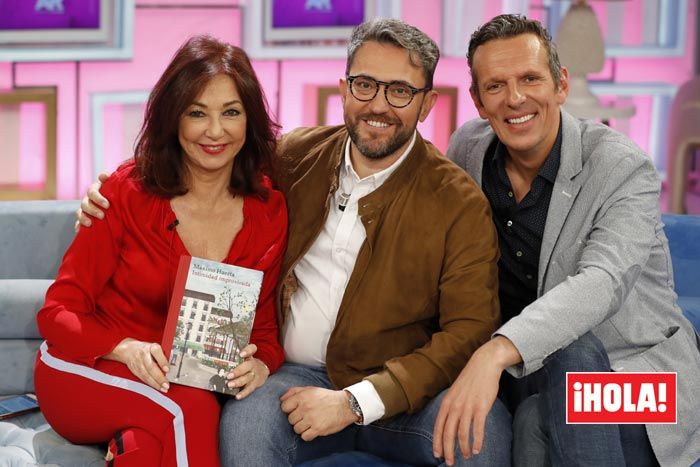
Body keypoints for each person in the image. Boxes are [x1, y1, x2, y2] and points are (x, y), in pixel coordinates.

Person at [76, 18, 512, 466]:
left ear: (426, 104)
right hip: (292, 380)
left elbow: (467, 331)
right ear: (343, 89)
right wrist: (116, 188)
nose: (378, 105)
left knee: (483, 433)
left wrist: (356, 401)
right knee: (245, 426)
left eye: (400, 91)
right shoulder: (293, 157)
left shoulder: (459, 203)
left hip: (404, 392)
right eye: (365, 85)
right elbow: (210, 159)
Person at [433, 14, 700, 467]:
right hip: (529, 373)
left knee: (552, 389)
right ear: (477, 101)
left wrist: (495, 352)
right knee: (531, 412)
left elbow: (602, 282)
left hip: (645, 383)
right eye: (495, 86)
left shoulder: (621, 167)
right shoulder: (467, 151)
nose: (515, 98)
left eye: (530, 79)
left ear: (560, 84)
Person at [35, 35, 287, 467]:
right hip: (82, 367)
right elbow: (57, 312)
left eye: (231, 112)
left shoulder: (268, 211)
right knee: (190, 408)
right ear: (174, 118)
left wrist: (261, 363)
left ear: (250, 120)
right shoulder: (125, 192)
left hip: (171, 382)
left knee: (144, 451)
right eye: (197, 113)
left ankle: (127, 450)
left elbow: (263, 332)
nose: (215, 131)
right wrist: (124, 347)